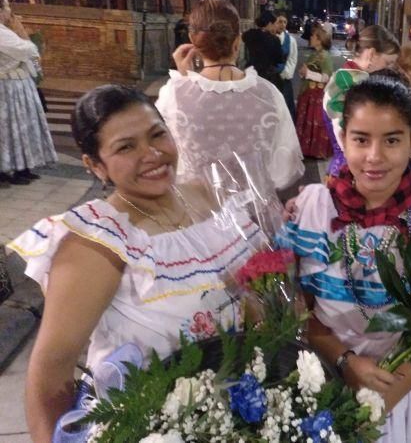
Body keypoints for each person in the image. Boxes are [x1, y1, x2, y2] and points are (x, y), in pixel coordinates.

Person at [9, 85, 257, 442]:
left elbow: (256, 295)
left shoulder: (207, 197)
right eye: (126, 147)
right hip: (150, 426)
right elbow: (51, 370)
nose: (152, 154)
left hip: (242, 409)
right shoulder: (98, 242)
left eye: (158, 134)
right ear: (96, 165)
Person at [283, 75, 411, 443]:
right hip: (328, 376)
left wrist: (385, 397)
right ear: (343, 139)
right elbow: (299, 308)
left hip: (407, 385)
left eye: (392, 140)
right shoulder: (312, 210)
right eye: (361, 139)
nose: (375, 157)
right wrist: (346, 361)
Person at [156, 0, 303, 190]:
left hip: (197, 212)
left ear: (193, 40)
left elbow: (166, 158)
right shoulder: (267, 93)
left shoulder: (174, 94)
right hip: (253, 211)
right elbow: (285, 169)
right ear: (237, 40)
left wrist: (182, 80)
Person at [323, 25, 400, 177]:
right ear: (371, 54)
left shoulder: (348, 78)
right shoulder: (351, 85)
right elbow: (347, 137)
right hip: (350, 172)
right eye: (388, 62)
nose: (389, 68)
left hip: (347, 167)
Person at [0, 2, 56, 187]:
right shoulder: (2, 32)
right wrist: (22, 32)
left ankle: (21, 167)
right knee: (12, 128)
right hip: (9, 87)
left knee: (21, 127)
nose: (10, 11)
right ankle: (11, 169)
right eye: (7, 7)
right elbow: (29, 50)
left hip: (17, 85)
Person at [296, 26, 333, 159]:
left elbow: (327, 77)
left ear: (319, 40)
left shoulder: (324, 56)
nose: (310, 38)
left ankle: (316, 150)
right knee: (308, 121)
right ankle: (308, 149)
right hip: (309, 92)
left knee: (315, 121)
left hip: (316, 95)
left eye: (313, 36)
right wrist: (304, 73)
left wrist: (308, 73)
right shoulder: (315, 54)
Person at [242, 11, 285, 88]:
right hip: (266, 76)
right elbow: (279, 59)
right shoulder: (274, 40)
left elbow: (244, 38)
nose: (275, 26)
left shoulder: (249, 34)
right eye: (274, 24)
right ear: (269, 24)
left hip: (251, 72)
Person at [275, 12, 299, 122]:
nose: (283, 24)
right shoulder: (269, 38)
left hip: (284, 77)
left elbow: (293, 58)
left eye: (285, 22)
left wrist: (287, 72)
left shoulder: (291, 40)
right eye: (280, 21)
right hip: (272, 77)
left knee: (286, 106)